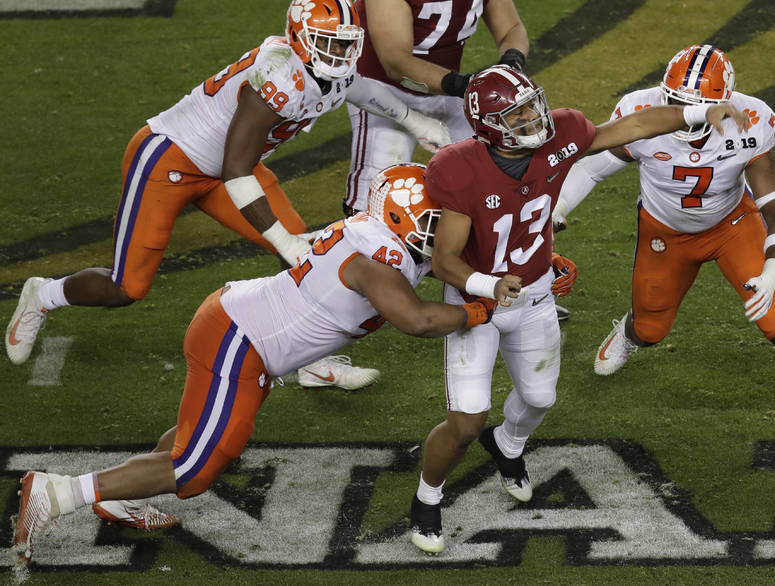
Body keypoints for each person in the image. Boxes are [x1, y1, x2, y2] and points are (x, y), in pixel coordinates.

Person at [12, 163, 497, 570]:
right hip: (238, 340)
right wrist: (484, 306)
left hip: (243, 331)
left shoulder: (379, 238)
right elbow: (417, 320)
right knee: (194, 469)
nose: (445, 232)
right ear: (398, 218)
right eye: (434, 221)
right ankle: (58, 492)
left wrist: (513, 269)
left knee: (198, 435)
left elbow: (441, 264)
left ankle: (122, 496)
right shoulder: (375, 259)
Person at [3, 0, 428, 397]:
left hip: (230, 167)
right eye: (327, 43)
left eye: (344, 44)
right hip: (171, 159)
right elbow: (236, 169)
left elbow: (359, 88)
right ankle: (43, 295)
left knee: (304, 256)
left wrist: (414, 118)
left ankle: (311, 362)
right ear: (300, 40)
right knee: (126, 288)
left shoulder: (326, 67)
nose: (339, 55)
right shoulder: (278, 73)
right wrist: (284, 239)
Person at [407, 63, 750, 554]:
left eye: (532, 105)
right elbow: (444, 260)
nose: (533, 119)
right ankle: (427, 497)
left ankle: (507, 446)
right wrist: (489, 283)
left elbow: (629, 128)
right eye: (517, 113)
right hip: (475, 302)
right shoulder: (458, 168)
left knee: (540, 399)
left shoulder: (558, 137)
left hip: (535, 293)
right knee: (465, 423)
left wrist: (697, 112)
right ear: (487, 125)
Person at [552, 44, 775, 434]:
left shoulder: (753, 118)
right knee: (649, 330)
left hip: (733, 226)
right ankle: (628, 332)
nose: (683, 118)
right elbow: (592, 168)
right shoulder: (639, 112)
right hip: (665, 231)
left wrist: (773, 266)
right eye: (674, 102)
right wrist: (557, 211)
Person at [340, 0, 529, 218]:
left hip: (447, 89)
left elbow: (511, 30)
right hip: (385, 91)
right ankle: (330, 268)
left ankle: (486, 266)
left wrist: (511, 65)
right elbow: (396, 62)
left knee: (492, 184)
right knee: (373, 202)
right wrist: (462, 84)